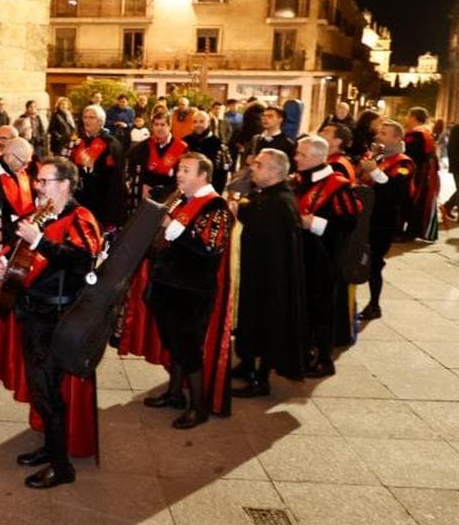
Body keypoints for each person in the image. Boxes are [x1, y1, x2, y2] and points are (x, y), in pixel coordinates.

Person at [0, 157, 101, 488]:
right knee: (40, 390)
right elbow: (16, 253)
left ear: (65, 184)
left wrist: (41, 241)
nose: (38, 186)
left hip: (58, 318)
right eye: (38, 181)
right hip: (32, 313)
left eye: (45, 181)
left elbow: (83, 260)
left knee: (49, 392)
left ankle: (61, 466)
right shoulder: (41, 215)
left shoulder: (81, 217)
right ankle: (52, 448)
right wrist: (1, 265)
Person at [141, 153, 234, 428]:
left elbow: (210, 248)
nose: (178, 174)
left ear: (203, 175)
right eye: (179, 169)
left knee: (189, 348)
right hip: (169, 284)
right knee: (174, 343)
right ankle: (174, 394)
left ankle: (198, 406)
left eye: (186, 170)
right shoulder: (182, 199)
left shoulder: (216, 206)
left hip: (192, 290)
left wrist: (174, 229)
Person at [231, 149, 307, 397]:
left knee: (266, 322)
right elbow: (252, 211)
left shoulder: (280, 201)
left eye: (259, 165)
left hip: (270, 280)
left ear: (275, 171)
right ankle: (247, 364)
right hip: (256, 273)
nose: (253, 167)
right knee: (251, 319)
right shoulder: (268, 194)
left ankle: (260, 379)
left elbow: (260, 221)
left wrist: (239, 208)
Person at [294, 135, 364, 377]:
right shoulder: (299, 179)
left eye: (301, 155)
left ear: (317, 157)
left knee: (322, 309)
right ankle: (304, 351)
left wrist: (312, 222)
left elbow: (347, 226)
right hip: (301, 255)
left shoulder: (339, 186)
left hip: (324, 258)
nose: (296, 158)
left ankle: (325, 359)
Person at [356, 121, 415, 321]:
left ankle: (374, 304)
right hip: (364, 215)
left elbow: (396, 191)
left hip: (383, 219)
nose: (378, 135)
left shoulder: (404, 163)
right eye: (378, 132)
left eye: (384, 133)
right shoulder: (374, 155)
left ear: (396, 139)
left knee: (374, 262)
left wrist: (374, 171)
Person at [70, 103, 126, 228]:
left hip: (103, 200)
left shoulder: (111, 144)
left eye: (92, 117)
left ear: (101, 122)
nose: (87, 120)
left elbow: (115, 177)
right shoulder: (79, 143)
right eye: (85, 117)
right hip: (81, 197)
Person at [126, 111, 186, 207]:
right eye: (156, 124)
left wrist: (165, 191)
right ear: (152, 126)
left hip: (169, 198)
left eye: (163, 124)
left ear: (170, 126)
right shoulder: (142, 147)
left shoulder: (182, 148)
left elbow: (182, 178)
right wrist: (140, 186)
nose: (159, 128)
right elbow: (132, 170)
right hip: (144, 197)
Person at [402, 107, 440, 242]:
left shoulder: (416, 134)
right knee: (420, 200)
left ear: (413, 117)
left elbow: (410, 154)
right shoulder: (425, 131)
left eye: (408, 115)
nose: (407, 118)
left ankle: (411, 232)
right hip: (426, 171)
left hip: (419, 172)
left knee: (415, 200)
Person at [185, 109, 229, 191]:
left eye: (201, 121)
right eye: (195, 121)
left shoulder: (218, 144)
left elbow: (222, 175)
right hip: (188, 188)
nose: (198, 124)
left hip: (209, 190)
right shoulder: (185, 142)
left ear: (208, 123)